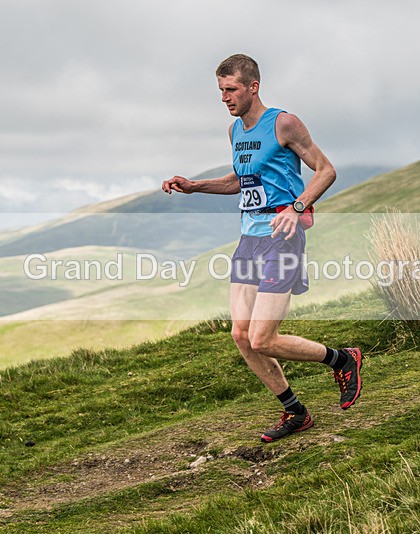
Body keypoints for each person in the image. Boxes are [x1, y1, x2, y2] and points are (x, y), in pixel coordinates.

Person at [162, 54, 362, 442]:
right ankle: (296, 413)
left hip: (282, 238)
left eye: (231, 89)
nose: (224, 98)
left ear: (253, 87)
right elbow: (240, 180)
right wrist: (195, 186)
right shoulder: (236, 131)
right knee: (241, 335)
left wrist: (297, 207)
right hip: (249, 240)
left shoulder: (283, 123)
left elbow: (326, 170)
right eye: (220, 90)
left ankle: (343, 359)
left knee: (262, 338)